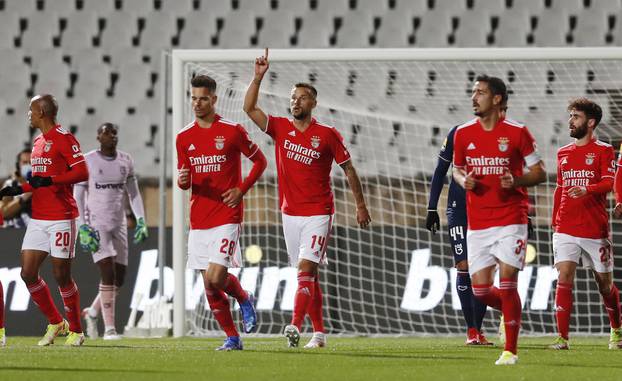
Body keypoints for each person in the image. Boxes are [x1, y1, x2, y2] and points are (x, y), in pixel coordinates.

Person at [244, 48, 371, 348]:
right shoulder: (280, 127)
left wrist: (361, 205)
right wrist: (257, 78)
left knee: (306, 269)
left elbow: (349, 169)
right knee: (308, 275)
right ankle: (320, 333)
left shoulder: (327, 134)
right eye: (292, 97)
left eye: (301, 97)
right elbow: (250, 108)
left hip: (319, 212)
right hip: (290, 213)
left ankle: (294, 325)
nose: (295, 101)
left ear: (313, 102)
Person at [452, 75, 546, 365]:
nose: (473, 97)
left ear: (496, 99)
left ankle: (511, 351)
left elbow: (540, 172)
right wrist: (462, 179)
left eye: (480, 92)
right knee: (480, 290)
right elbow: (455, 169)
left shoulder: (518, 133)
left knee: (507, 283)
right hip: (478, 223)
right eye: (472, 92)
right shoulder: (463, 134)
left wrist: (516, 179)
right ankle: (510, 310)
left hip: (511, 219)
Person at [176, 75, 267, 351]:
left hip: (227, 215)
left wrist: (241, 189)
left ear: (214, 99)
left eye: (203, 98)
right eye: (193, 98)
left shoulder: (232, 131)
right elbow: (185, 177)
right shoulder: (183, 137)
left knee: (216, 277)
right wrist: (183, 182)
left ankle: (244, 297)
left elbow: (260, 161)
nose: (197, 103)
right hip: (199, 218)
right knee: (209, 286)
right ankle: (233, 337)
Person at [0, 94, 89, 346]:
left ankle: (76, 331)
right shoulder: (38, 143)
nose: (28, 114)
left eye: (30, 110)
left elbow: (82, 172)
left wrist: (51, 181)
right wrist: (19, 189)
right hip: (38, 218)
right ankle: (55, 321)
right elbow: (39, 180)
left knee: (62, 275)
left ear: (42, 111)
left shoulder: (64, 139)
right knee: (27, 273)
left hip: (61, 217)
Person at [550, 98, 621, 350]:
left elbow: (609, 183)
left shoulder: (603, 151)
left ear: (590, 122)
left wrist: (587, 189)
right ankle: (562, 338)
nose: (571, 120)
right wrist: (554, 220)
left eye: (576, 116)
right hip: (565, 226)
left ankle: (616, 330)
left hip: (594, 229)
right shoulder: (563, 153)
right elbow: (560, 188)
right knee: (564, 276)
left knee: (605, 285)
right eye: (570, 116)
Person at [74, 122, 149, 340]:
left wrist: (141, 220)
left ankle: (93, 312)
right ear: (98, 137)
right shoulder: (88, 160)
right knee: (107, 273)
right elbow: (78, 196)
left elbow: (133, 193)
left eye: (114, 132)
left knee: (120, 278)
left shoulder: (126, 160)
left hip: (120, 223)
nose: (111, 136)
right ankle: (110, 330)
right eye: (106, 133)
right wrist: (83, 226)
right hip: (96, 225)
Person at [426, 124, 491, 346]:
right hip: (459, 209)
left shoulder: (503, 135)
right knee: (463, 265)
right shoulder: (459, 132)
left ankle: (479, 329)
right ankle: (471, 330)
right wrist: (431, 208)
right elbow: (440, 170)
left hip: (487, 210)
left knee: (481, 270)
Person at [1, 148, 33, 228]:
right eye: (25, 163)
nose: (29, 165)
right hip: (15, 233)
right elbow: (3, 213)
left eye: (31, 162)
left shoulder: (45, 183)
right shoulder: (11, 184)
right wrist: (23, 198)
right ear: (18, 165)